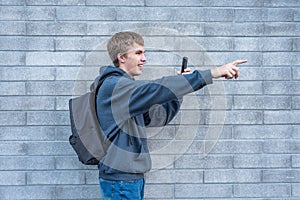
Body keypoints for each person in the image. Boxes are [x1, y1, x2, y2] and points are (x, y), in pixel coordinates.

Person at [95, 31, 247, 199]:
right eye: (138, 53)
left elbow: (157, 117)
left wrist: (178, 92)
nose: (144, 58)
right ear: (122, 57)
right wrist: (212, 73)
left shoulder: (126, 89)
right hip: (121, 180)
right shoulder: (115, 86)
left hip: (129, 177)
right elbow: (156, 88)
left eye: (144, 53)